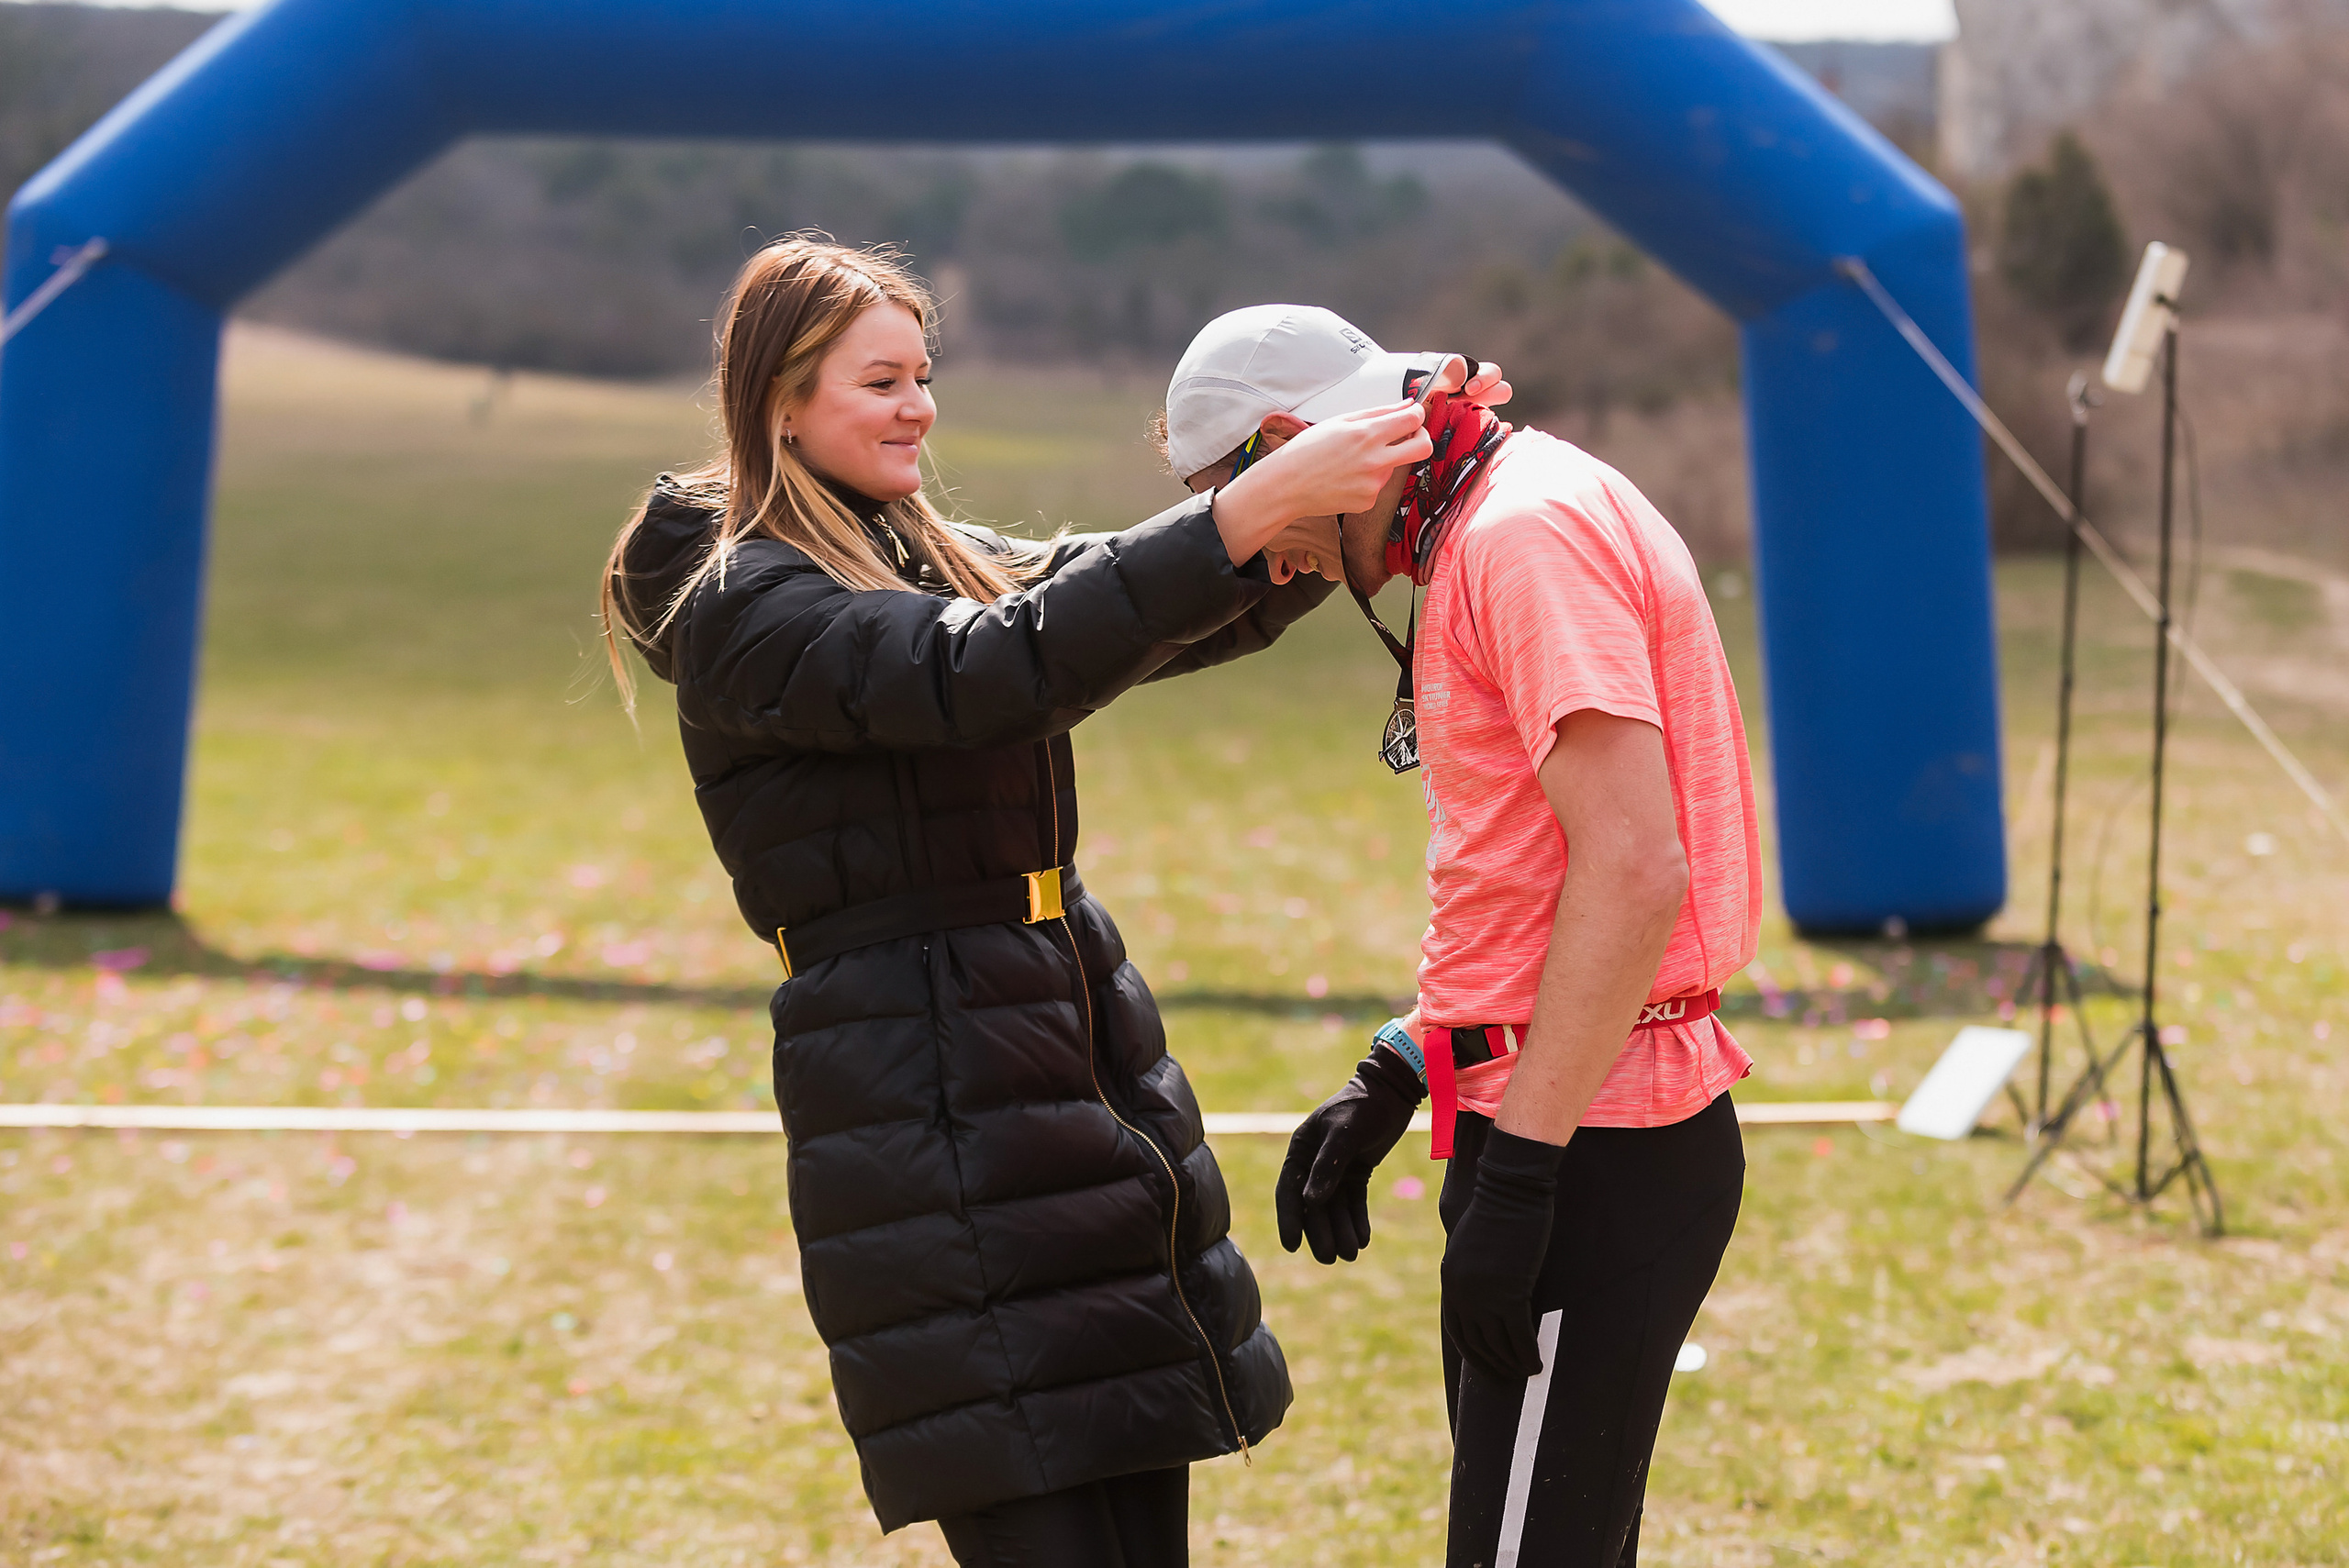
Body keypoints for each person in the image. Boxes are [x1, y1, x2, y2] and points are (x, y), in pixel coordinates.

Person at [599, 243, 1436, 1566]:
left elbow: (1110, 597)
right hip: (925, 1099)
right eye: (880, 381)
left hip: (1060, 1058)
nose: (917, 408)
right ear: (780, 403)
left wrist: (1323, 508)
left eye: (922, 375)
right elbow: (991, 670)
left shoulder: (922, 551)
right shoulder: (741, 602)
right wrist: (1244, 514)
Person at [1161, 305, 1761, 1568]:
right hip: (1561, 1117)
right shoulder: (1490, 516)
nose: (1264, 558)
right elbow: (1532, 878)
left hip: (1595, 1145)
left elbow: (1636, 869)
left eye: (1239, 503)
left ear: (1291, 441)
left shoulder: (1521, 533)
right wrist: (1405, 1062)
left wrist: (1527, 1172)